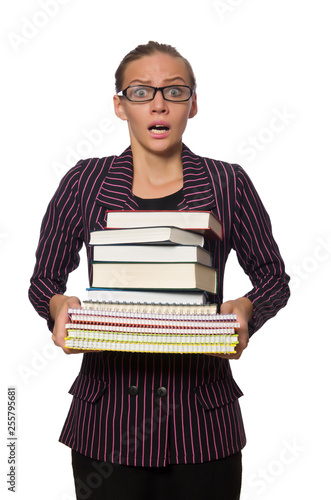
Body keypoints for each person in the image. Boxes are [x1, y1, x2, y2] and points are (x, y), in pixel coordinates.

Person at [29, 41, 290, 500]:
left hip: (204, 426)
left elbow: (272, 276)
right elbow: (43, 282)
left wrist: (247, 307)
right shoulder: (84, 182)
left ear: (193, 105)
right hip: (106, 427)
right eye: (140, 91)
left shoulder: (228, 182)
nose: (157, 104)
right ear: (119, 106)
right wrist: (57, 305)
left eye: (174, 91)